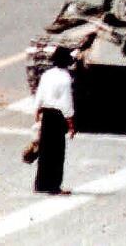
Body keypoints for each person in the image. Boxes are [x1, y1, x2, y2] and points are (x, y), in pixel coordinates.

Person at [32, 47, 75, 194]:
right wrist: (70, 123)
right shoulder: (65, 78)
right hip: (58, 116)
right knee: (57, 153)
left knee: (45, 151)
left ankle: (41, 185)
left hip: (47, 115)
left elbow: (39, 95)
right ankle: (54, 187)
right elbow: (66, 103)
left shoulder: (46, 75)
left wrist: (37, 112)